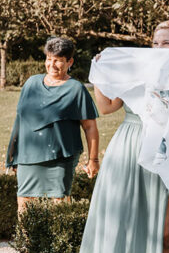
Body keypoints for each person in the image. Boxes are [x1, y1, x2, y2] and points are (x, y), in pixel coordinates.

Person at [39, 21, 169, 253]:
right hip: (130, 150)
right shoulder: (137, 71)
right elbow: (105, 108)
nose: (159, 49)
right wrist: (100, 75)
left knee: (167, 234)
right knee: (125, 227)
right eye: (155, 43)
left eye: (167, 43)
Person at [6, 36, 100, 212]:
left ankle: (58, 239)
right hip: (28, 154)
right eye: (49, 59)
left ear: (69, 61)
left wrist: (93, 159)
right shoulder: (31, 83)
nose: (52, 65)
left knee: (60, 201)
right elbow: (20, 119)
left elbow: (90, 127)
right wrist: (13, 153)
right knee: (24, 201)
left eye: (58, 61)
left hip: (60, 157)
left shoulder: (76, 89)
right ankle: (26, 240)